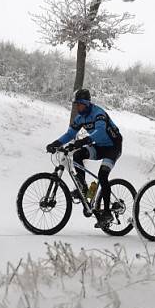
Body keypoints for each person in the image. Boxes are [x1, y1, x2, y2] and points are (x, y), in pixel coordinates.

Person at [46, 88, 123, 228]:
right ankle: (84, 188)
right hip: (99, 147)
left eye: (80, 104)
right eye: (76, 104)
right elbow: (69, 134)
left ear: (87, 103)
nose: (78, 107)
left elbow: (100, 132)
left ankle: (107, 213)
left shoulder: (98, 114)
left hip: (113, 147)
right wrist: (55, 144)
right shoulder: (80, 118)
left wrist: (84, 141)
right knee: (78, 155)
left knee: (102, 175)